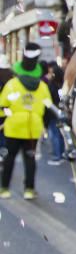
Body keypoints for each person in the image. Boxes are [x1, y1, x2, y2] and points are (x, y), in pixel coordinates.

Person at [0, 43, 53, 199]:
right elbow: (48, 106)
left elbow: (2, 105)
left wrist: (10, 114)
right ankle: (29, 190)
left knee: (9, 158)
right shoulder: (42, 86)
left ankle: (4, 188)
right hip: (32, 128)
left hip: (13, 127)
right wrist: (43, 123)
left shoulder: (12, 85)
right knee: (30, 159)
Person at [44, 61, 65, 164]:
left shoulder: (51, 85)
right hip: (61, 111)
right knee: (60, 134)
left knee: (55, 134)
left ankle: (57, 156)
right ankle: (61, 154)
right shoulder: (62, 86)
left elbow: (48, 100)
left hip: (52, 112)